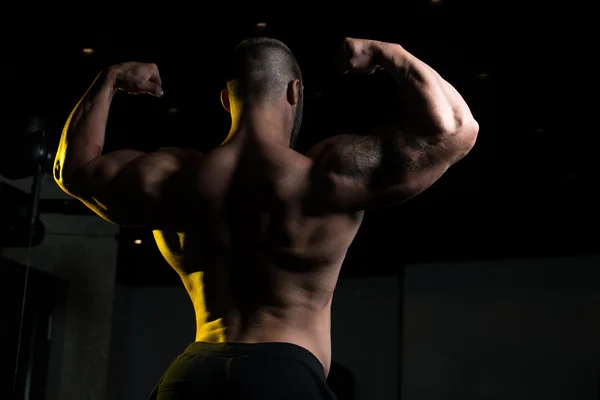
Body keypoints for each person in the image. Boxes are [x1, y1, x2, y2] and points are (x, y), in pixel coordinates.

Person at [54, 36, 479, 399]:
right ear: (294, 91)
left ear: (226, 99)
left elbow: (71, 171)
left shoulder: (171, 177)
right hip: (284, 374)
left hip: (192, 374)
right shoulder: (324, 177)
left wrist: (107, 80)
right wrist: (388, 52)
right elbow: (456, 129)